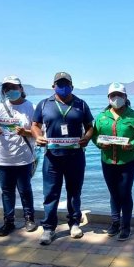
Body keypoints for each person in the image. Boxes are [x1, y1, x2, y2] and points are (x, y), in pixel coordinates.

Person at [31, 72, 94, 245]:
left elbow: (90, 127)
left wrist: (87, 138)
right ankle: (49, 228)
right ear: (53, 86)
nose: (63, 87)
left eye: (66, 84)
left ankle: (74, 223)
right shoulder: (44, 104)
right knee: (51, 193)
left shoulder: (81, 104)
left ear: (72, 86)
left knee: (74, 192)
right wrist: (37, 136)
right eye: (60, 84)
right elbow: (34, 125)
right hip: (52, 157)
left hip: (75, 157)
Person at [92, 82, 134, 241]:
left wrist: (133, 144)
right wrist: (100, 144)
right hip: (107, 161)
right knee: (113, 193)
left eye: (120, 95)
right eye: (112, 95)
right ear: (108, 98)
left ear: (125, 97)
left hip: (128, 163)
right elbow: (95, 136)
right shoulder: (102, 117)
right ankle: (115, 223)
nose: (116, 98)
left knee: (125, 193)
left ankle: (126, 226)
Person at [0, 76, 37, 237]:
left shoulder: (31, 107)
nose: (10, 91)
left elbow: (39, 132)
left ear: (21, 89)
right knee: (7, 191)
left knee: (25, 190)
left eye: (13, 87)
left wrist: (26, 132)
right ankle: (8, 221)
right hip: (3, 157)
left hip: (24, 156)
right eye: (6, 88)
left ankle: (29, 219)